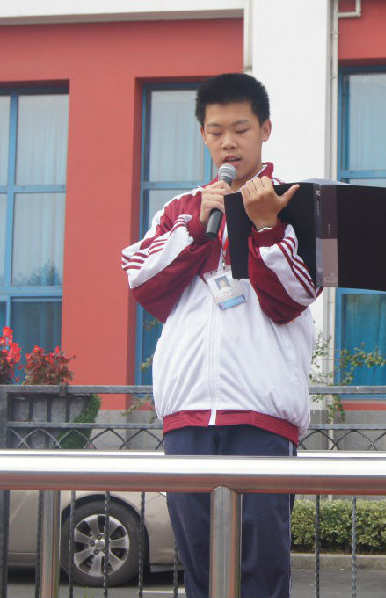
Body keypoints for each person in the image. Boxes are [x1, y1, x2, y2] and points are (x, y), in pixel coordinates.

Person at [121, 72, 318, 598]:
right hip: (187, 416)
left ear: (265, 130)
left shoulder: (297, 204)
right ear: (203, 135)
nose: (229, 142)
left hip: (261, 417)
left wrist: (266, 227)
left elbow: (295, 298)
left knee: (262, 573)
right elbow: (141, 281)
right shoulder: (180, 209)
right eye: (216, 131)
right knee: (201, 572)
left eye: (241, 129)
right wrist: (196, 227)